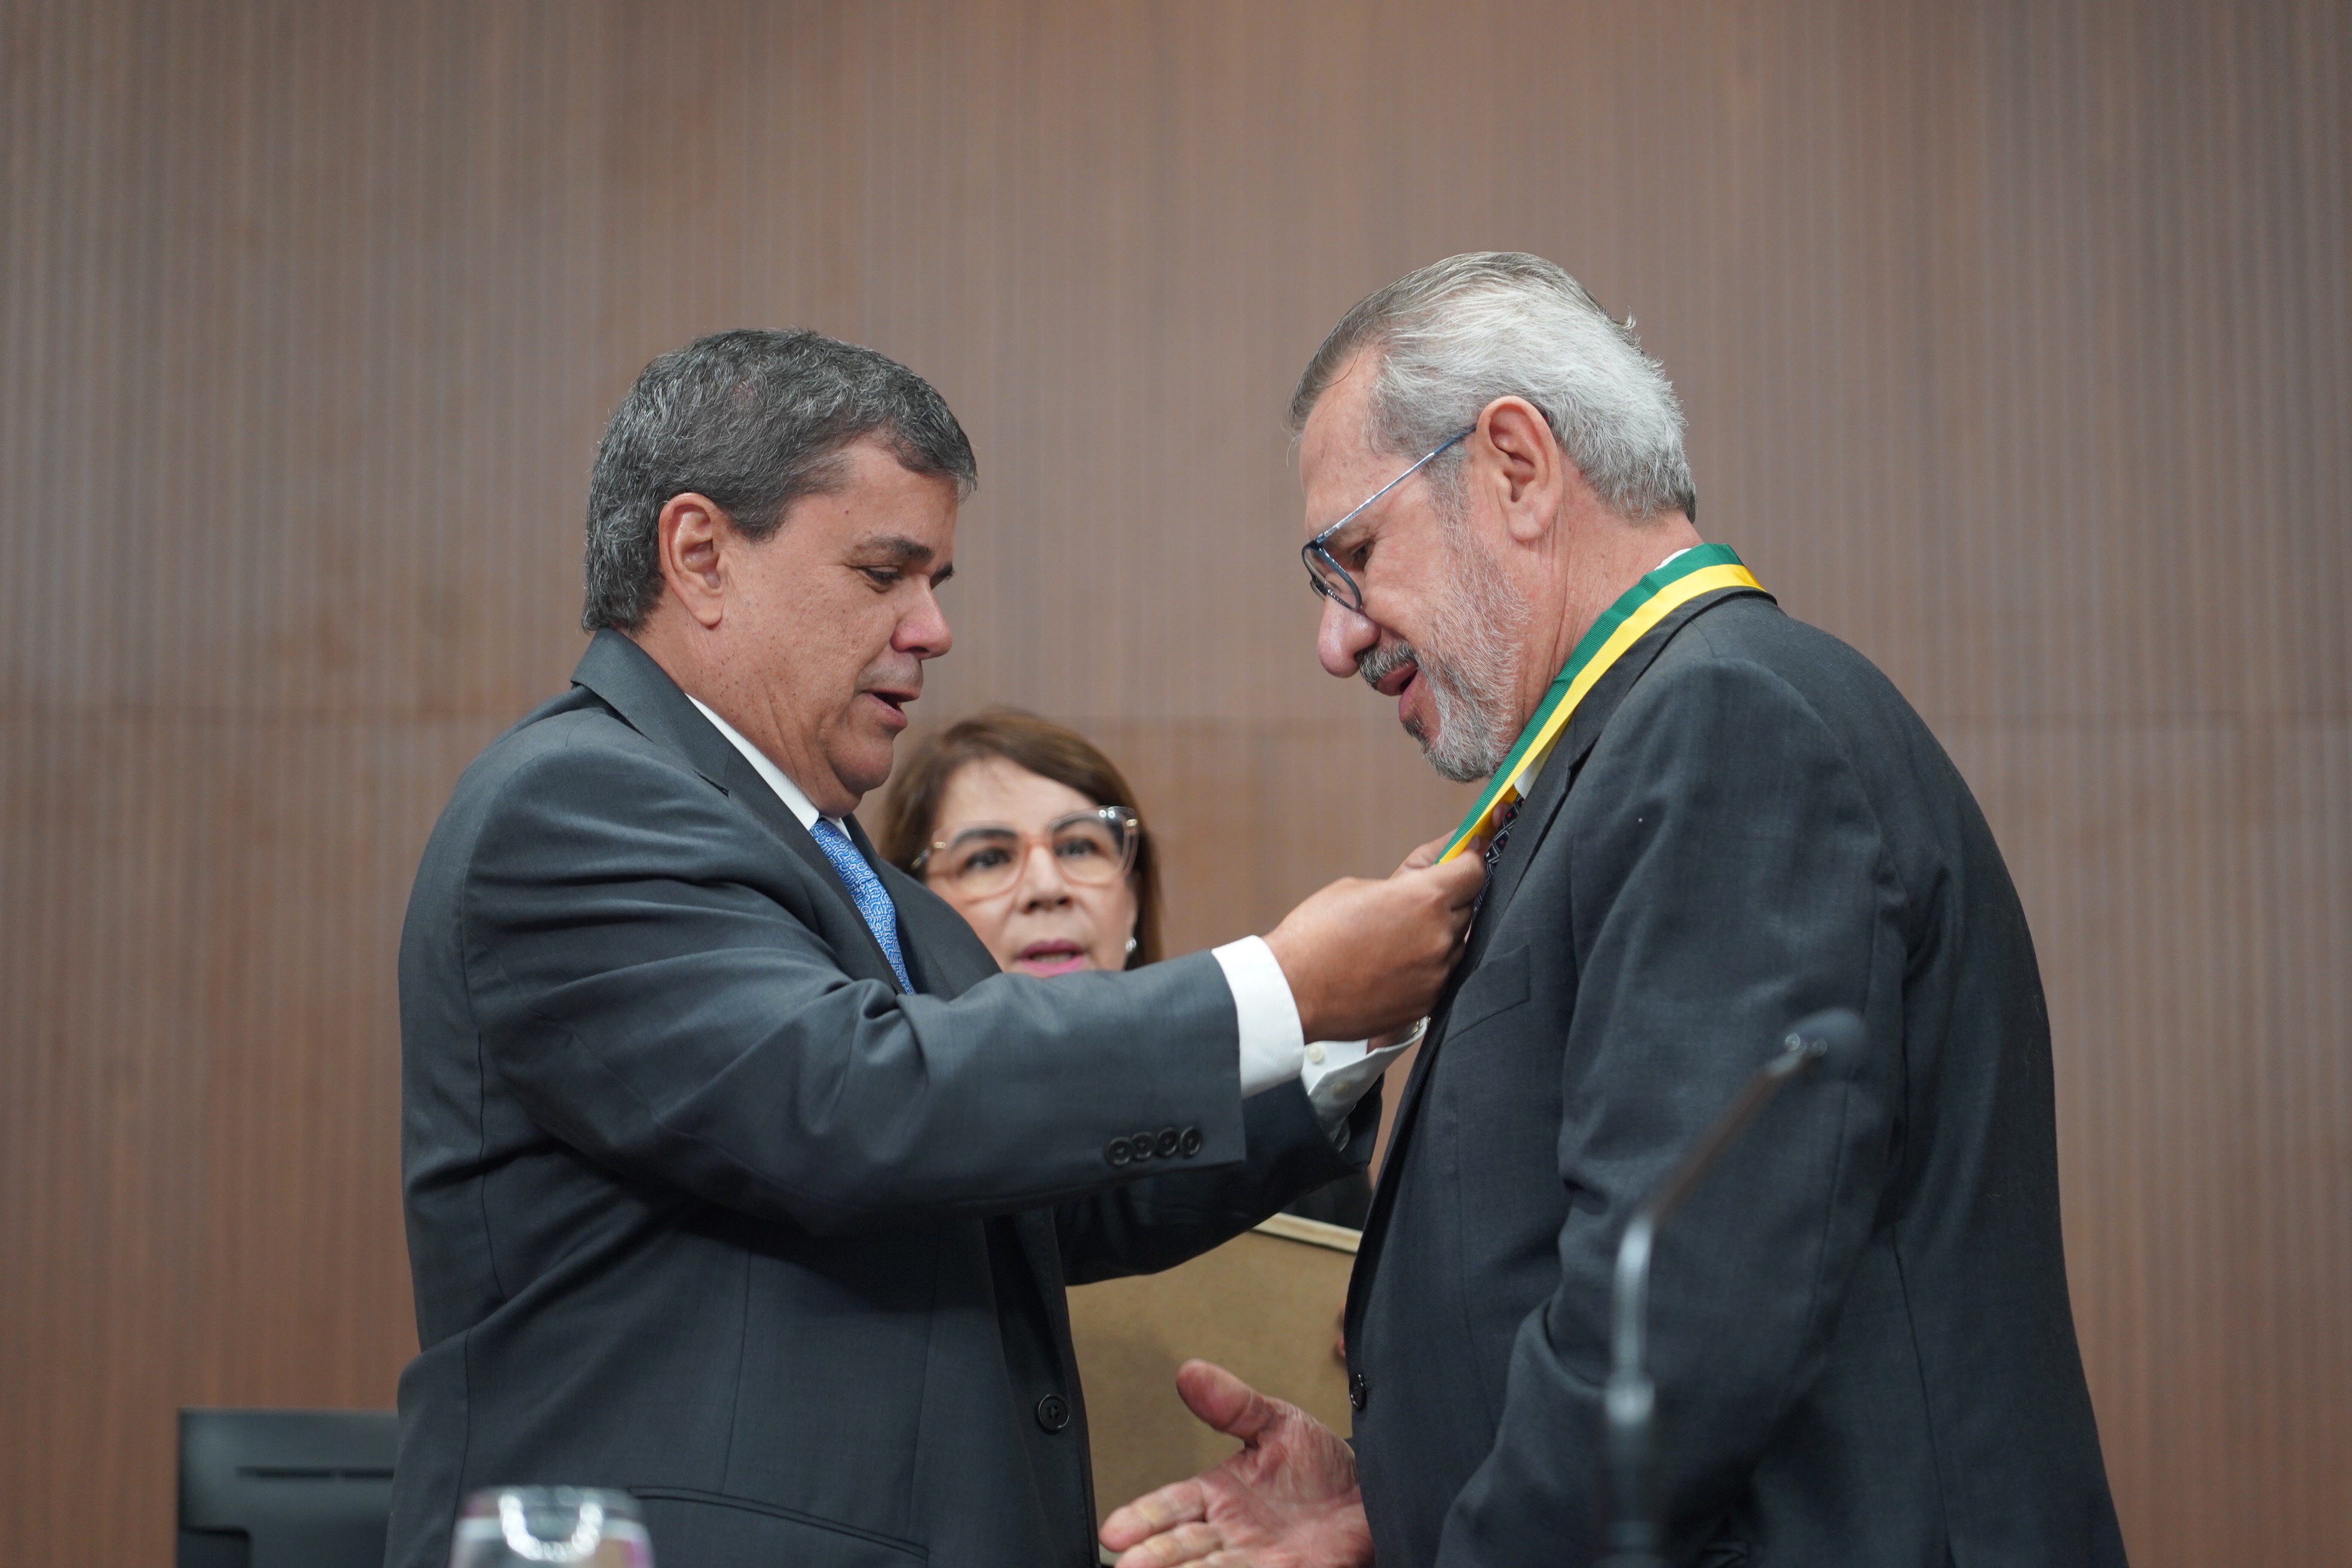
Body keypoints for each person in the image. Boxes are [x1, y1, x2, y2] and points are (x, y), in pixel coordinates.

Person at [386, 329, 1487, 1568]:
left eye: (936, 579)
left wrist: (1342, 1028)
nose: (933, 629)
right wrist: (1281, 986)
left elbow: (1042, 1187)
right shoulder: (573, 802)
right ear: (699, 555)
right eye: (883, 572)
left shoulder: (881, 895)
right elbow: (853, 1102)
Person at [1102, 255, 2126, 1566]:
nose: (1338, 639)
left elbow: (1673, 1339)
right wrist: (1401, 1504)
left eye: (1352, 556)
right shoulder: (1655, 738)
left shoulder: (1728, 729)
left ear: (1517, 466)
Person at [880, 709, 1374, 1226]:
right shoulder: (884, 1147)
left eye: (1079, 847)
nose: (1048, 888)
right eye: (988, 858)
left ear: (1133, 901)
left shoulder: (1286, 1132)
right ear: (905, 910)